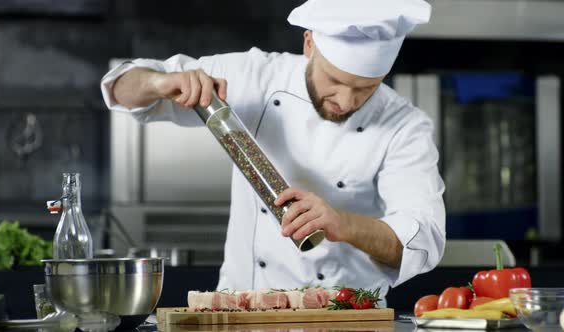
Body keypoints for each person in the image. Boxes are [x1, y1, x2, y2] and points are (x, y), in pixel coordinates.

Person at [101, 0, 445, 304]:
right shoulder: (257, 75)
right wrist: (158, 83)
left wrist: (344, 224)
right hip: (240, 307)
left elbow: (423, 239)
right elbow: (119, 88)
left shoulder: (405, 125)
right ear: (309, 44)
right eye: (334, 81)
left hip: (346, 316)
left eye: (366, 89)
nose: (345, 102)